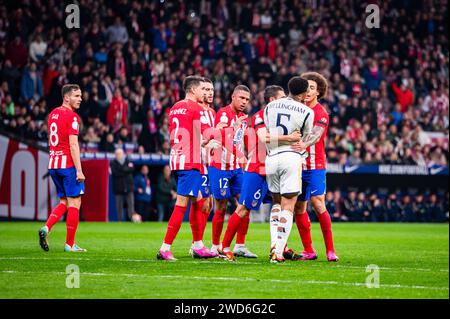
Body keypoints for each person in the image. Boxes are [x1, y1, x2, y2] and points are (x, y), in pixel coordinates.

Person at [219, 85, 301, 261]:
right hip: (258, 168)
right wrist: (290, 138)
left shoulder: (285, 118)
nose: (285, 102)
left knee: (279, 206)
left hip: (276, 168)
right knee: (243, 208)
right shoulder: (260, 116)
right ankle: (224, 247)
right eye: (281, 98)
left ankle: (279, 247)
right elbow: (264, 138)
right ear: (272, 100)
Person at [157, 75, 215, 260]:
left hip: (176, 159)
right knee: (182, 204)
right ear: (193, 90)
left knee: (199, 201)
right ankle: (165, 248)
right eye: (201, 90)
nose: (203, 93)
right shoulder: (196, 108)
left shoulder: (174, 107)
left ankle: (198, 245)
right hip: (190, 161)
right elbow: (202, 136)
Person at [264, 76, 313, 263]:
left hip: (271, 158)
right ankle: (277, 252)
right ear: (302, 94)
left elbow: (269, 135)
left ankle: (273, 245)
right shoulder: (307, 111)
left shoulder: (270, 106)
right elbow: (304, 139)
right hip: (291, 157)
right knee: (288, 206)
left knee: (276, 204)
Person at [292, 72, 339, 262]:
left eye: (312, 88)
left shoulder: (321, 112)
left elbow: (317, 134)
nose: (308, 91)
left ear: (318, 92)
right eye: (306, 88)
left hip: (315, 165)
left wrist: (304, 143)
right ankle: (309, 250)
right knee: (298, 207)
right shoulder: (296, 109)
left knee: (319, 203)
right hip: (296, 165)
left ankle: (330, 250)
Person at [208, 85, 257, 258]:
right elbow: (223, 139)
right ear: (233, 97)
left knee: (246, 204)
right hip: (219, 167)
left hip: (236, 168)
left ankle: (240, 245)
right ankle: (215, 246)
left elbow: (242, 139)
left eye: (247, 99)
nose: (244, 102)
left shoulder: (243, 117)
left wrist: (250, 153)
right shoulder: (223, 113)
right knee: (220, 206)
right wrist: (240, 155)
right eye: (241, 98)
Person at [38, 84, 86, 252]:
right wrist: (79, 170)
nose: (80, 99)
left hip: (53, 164)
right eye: (77, 96)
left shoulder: (52, 114)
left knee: (64, 202)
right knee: (75, 202)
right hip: (67, 165)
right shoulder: (72, 117)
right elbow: (73, 145)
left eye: (80, 96)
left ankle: (46, 228)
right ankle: (69, 244)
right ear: (66, 97)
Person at [188, 77, 217, 255]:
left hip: (211, 162)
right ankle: (196, 243)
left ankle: (198, 242)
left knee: (209, 204)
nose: (209, 92)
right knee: (200, 202)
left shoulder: (212, 113)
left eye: (211, 89)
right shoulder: (195, 110)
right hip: (198, 161)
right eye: (205, 89)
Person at [110, 148, 139, 222]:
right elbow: (115, 173)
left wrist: (122, 169)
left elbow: (132, 169)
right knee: (119, 205)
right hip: (118, 187)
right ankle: (120, 220)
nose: (118, 155)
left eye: (120, 154)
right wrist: (126, 170)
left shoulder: (128, 160)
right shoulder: (113, 162)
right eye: (117, 154)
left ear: (123, 154)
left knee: (131, 204)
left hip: (129, 186)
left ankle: (132, 219)